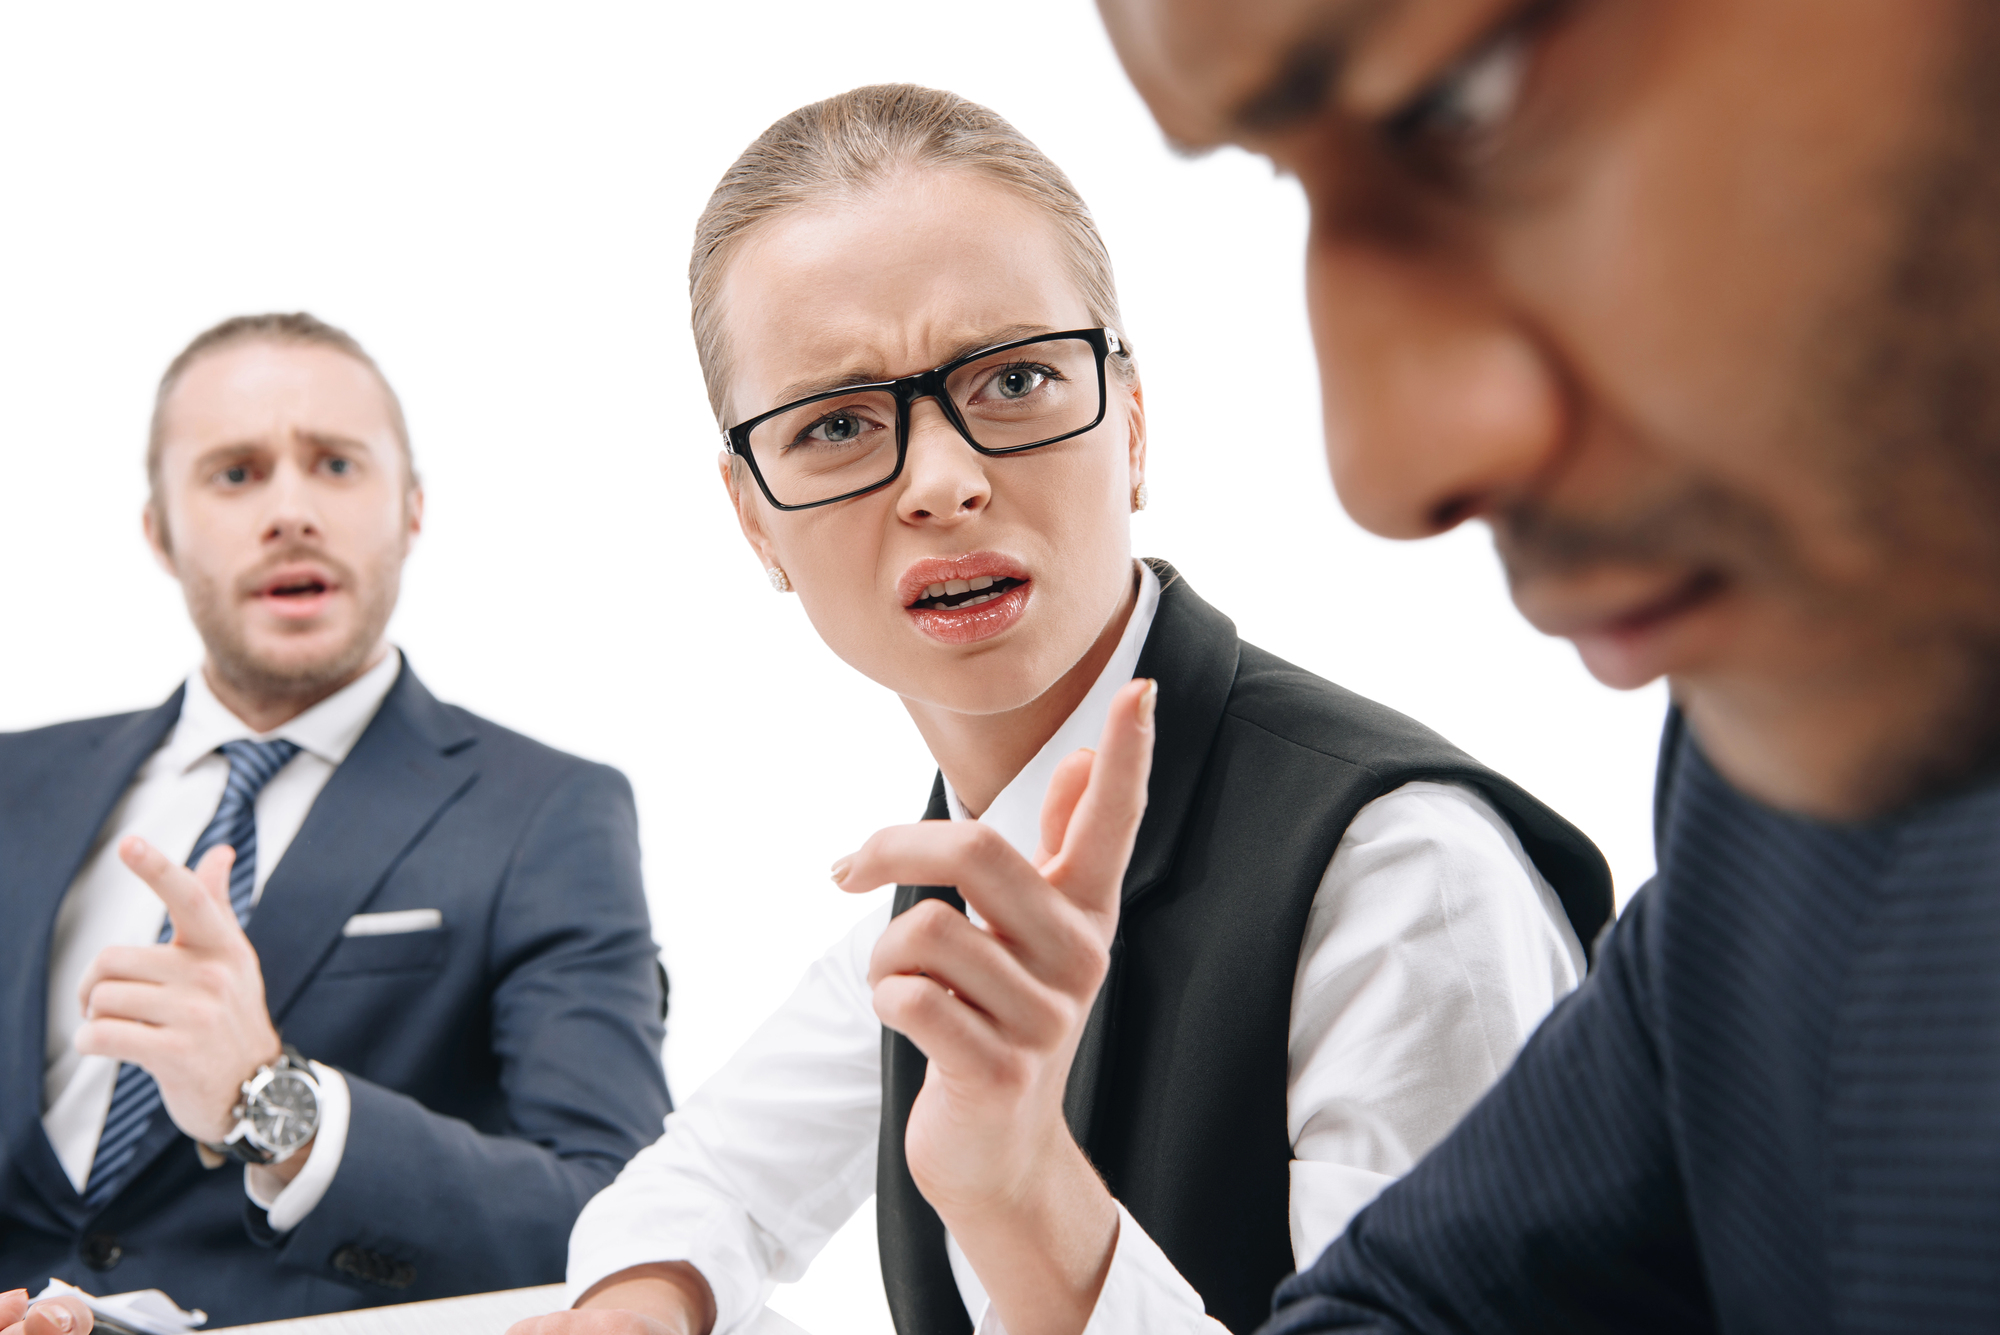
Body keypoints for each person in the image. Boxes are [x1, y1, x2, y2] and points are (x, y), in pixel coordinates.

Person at [521, 85, 1609, 1335]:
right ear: (753, 519)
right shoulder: (971, 869)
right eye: (833, 424)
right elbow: (704, 1182)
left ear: (1132, 426)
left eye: (1017, 379)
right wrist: (638, 1308)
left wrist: (1029, 1205)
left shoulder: (1399, 878)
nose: (941, 482)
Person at [1092, 0, 2000, 1330]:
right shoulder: (1787, 809)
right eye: (1290, 178)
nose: (1379, 458)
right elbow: (1423, 1302)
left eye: (1468, 90)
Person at [0, 313, 671, 1326]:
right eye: (234, 474)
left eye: (335, 465)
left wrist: (273, 1098)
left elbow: (619, 1218)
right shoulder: (16, 783)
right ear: (160, 533)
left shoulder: (546, 813)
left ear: (409, 510)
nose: (289, 511)